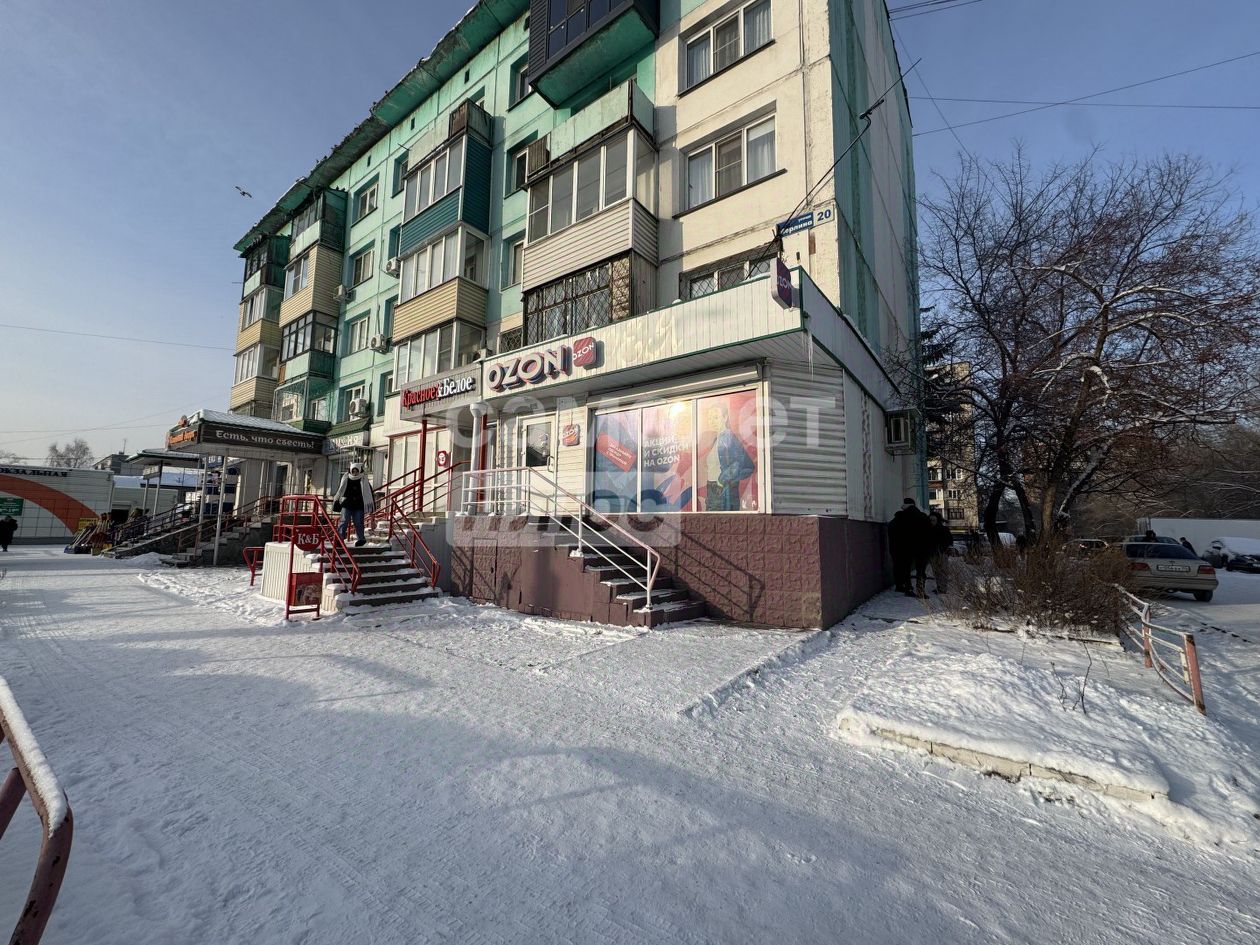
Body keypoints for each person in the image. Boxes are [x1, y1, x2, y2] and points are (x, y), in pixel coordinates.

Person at [888, 498, 930, 596]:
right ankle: (920, 590)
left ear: (906, 505)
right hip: (921, 547)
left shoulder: (900, 517)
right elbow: (928, 533)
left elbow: (892, 530)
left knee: (905, 569)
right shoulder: (922, 516)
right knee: (921, 570)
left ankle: (908, 588)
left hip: (904, 548)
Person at [332, 462, 375, 547]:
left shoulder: (364, 480)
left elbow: (369, 493)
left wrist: (371, 506)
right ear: (350, 471)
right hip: (347, 504)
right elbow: (340, 490)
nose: (355, 473)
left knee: (358, 522)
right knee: (344, 521)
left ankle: (361, 539)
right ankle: (339, 539)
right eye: (353, 471)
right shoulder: (346, 479)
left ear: (360, 471)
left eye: (356, 471)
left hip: (359, 505)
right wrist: (337, 499)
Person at [927, 511, 953, 594]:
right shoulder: (928, 530)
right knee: (936, 571)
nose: (931, 522)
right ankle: (939, 587)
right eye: (930, 520)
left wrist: (944, 548)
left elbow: (950, 541)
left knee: (942, 570)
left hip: (942, 553)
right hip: (932, 553)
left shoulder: (944, 529)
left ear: (937, 520)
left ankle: (943, 588)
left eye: (933, 520)